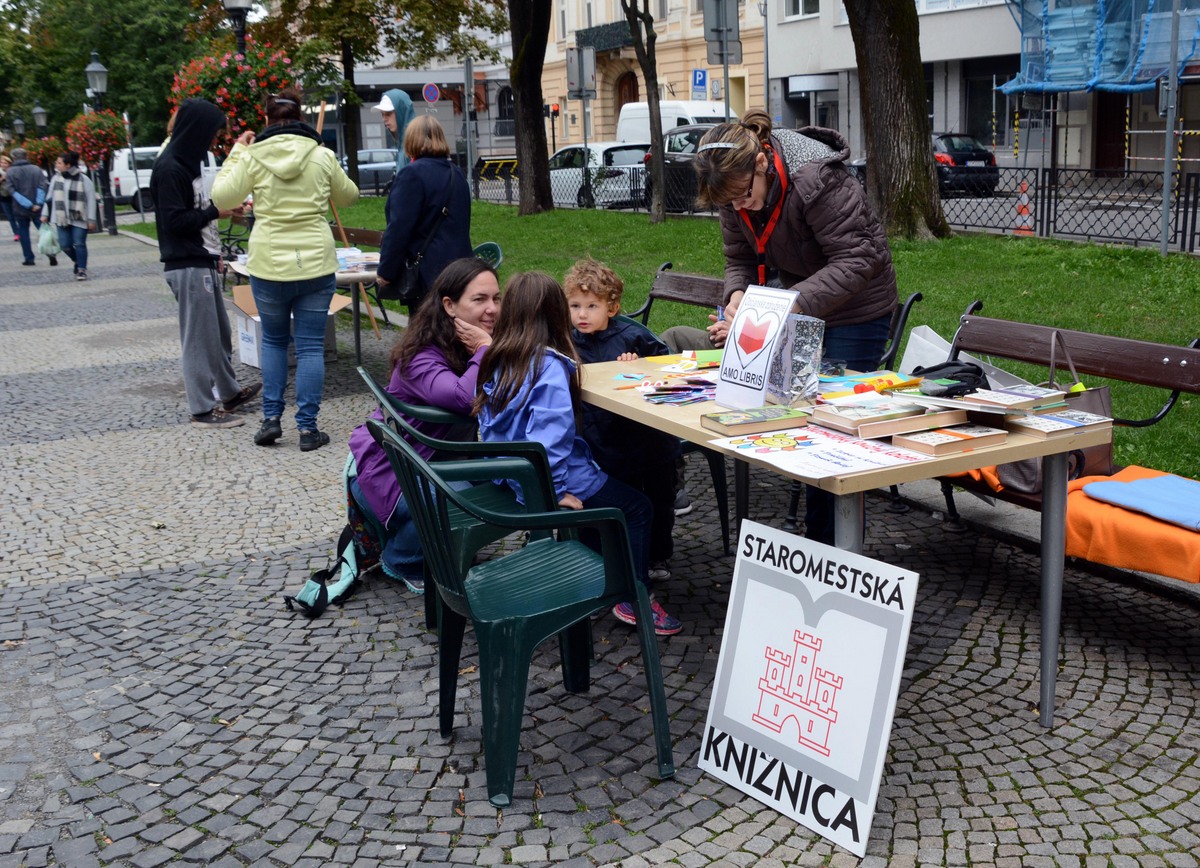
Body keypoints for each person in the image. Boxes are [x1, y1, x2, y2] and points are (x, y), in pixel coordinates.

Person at [685, 110, 899, 545]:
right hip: (799, 307)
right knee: (800, 421)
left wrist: (783, 306)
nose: (739, 208)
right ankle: (817, 539)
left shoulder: (817, 179)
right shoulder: (735, 190)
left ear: (762, 163)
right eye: (729, 204)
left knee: (832, 430)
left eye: (744, 197)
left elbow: (860, 259)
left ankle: (834, 549)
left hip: (857, 312)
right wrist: (737, 300)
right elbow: (739, 258)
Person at [474, 271, 682, 636]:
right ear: (557, 314)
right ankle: (633, 595)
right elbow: (547, 443)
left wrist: (507, 476)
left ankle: (596, 571)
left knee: (605, 493)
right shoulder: (551, 367)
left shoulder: (501, 356)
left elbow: (490, 430)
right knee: (637, 508)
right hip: (553, 479)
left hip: (515, 474)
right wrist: (552, 495)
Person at [212, 87, 359, 451]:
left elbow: (222, 197)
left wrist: (237, 150)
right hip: (314, 261)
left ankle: (270, 419)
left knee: (274, 342)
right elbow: (349, 196)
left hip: (269, 261)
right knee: (310, 348)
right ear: (301, 117)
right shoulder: (321, 155)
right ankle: (308, 429)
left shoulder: (253, 156)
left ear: (266, 119)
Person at [347, 257, 499, 592]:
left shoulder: (470, 343)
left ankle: (437, 543)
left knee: (508, 482)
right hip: (391, 468)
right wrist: (486, 350)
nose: (492, 309)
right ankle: (403, 558)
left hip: (435, 459)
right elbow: (463, 398)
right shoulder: (421, 355)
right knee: (456, 500)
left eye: (496, 298)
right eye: (479, 299)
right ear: (449, 305)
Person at [564, 257, 681, 584]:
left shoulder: (632, 337)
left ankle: (658, 555)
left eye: (591, 306)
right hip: (604, 442)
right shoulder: (567, 342)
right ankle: (618, 557)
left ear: (612, 308)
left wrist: (641, 364)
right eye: (575, 305)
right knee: (623, 499)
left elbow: (670, 367)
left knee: (659, 501)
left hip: (650, 441)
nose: (582, 315)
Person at [152, 99, 262, 429]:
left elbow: (194, 210)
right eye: (212, 133)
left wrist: (219, 211)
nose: (213, 140)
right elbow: (176, 221)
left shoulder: (185, 163)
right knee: (198, 339)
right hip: (187, 263)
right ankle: (201, 408)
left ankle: (229, 393)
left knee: (218, 332)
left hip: (200, 259)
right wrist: (216, 212)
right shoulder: (171, 168)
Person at [375, 115, 472, 309]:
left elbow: (399, 228)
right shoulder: (456, 173)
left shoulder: (412, 174)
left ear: (410, 141)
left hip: (428, 272)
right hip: (462, 268)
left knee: (427, 331)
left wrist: (386, 271)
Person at [41, 151, 97, 280]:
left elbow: (91, 200)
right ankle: (78, 261)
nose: (57, 165)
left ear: (68, 164)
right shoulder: (56, 178)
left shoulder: (84, 179)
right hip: (61, 218)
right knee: (64, 245)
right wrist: (45, 214)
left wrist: (91, 219)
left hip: (79, 218)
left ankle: (82, 269)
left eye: (59, 163)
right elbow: (49, 198)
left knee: (79, 244)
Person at [5, 147, 47, 267]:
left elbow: (11, 190)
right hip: (37, 207)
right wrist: (38, 203)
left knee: (23, 232)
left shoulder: (11, 171)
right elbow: (42, 186)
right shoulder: (36, 169)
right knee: (44, 231)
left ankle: (29, 257)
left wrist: (26, 203)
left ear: (14, 158)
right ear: (26, 156)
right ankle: (51, 253)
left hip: (20, 207)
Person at [371, 88, 416, 177]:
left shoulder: (414, 144)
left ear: (401, 110)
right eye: (382, 114)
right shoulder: (404, 143)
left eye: (388, 113)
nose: (384, 119)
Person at [0, 154, 20, 241]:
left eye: (5, 163)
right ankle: (16, 233)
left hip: (14, 196)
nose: (3, 164)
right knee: (10, 216)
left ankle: (21, 230)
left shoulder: (12, 172)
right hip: (3, 197)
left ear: (9, 164)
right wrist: (2, 179)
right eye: (2, 163)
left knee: (17, 215)